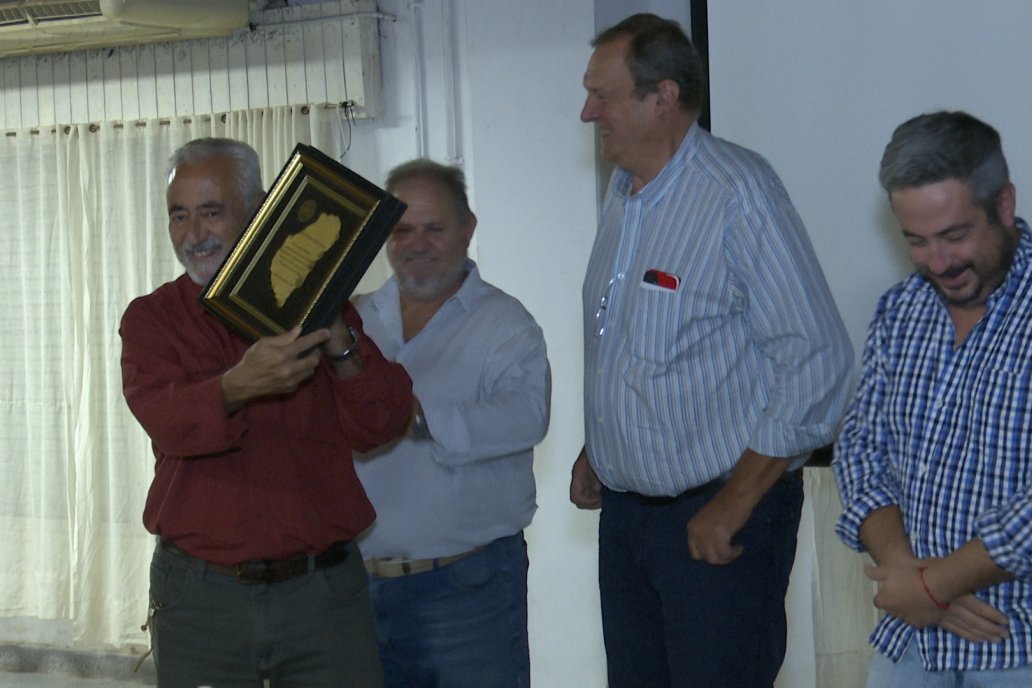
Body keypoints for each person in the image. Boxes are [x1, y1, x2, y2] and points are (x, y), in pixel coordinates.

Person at [568, 13, 853, 687]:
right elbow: (634, 340)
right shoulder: (624, 195)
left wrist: (735, 501)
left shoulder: (737, 193)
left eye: (602, 96)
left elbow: (818, 362)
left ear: (661, 97)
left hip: (718, 518)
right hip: (629, 521)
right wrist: (602, 444)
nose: (586, 113)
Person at [119, 137, 413, 687]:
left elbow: (382, 423)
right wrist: (236, 387)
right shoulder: (153, 319)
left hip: (322, 597)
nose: (193, 234)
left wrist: (339, 340)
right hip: (202, 598)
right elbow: (167, 419)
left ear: (259, 214)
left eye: (211, 212)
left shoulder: (322, 301)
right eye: (178, 216)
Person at [834, 111, 1032, 686]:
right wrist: (908, 576)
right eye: (915, 241)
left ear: (1003, 204)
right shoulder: (902, 310)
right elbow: (859, 448)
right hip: (910, 641)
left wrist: (939, 584)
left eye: (954, 235)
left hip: (1013, 641)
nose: (937, 262)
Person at [353, 159, 550, 688]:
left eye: (434, 229)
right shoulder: (353, 319)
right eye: (401, 230)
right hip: (352, 591)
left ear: (468, 228)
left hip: (467, 591)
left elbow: (527, 417)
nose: (417, 244)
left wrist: (412, 417)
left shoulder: (506, 323)